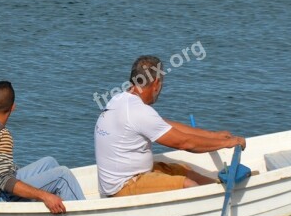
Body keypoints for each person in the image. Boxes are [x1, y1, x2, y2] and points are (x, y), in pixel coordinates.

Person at [95, 55, 246, 197]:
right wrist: (227, 143)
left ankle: (221, 190)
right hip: (123, 186)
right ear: (156, 84)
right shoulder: (138, 111)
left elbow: (165, 125)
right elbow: (185, 143)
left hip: (130, 175)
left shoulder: (120, 99)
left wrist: (212, 136)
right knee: (187, 184)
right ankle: (215, 203)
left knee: (185, 171)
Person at [0, 81, 85, 213]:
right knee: (62, 175)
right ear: (13, 107)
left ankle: (57, 207)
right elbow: (4, 181)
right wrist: (45, 196)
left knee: (49, 162)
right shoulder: (2, 135)